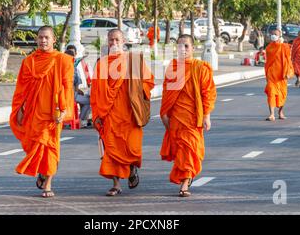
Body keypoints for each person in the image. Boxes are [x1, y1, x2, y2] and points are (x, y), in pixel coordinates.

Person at [9, 26, 74, 198]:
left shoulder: (63, 60)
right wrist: (20, 110)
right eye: (40, 37)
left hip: (52, 114)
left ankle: (48, 184)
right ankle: (42, 172)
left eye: (46, 37)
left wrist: (64, 108)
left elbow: (67, 86)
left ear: (54, 39)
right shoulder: (29, 62)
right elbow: (21, 89)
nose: (43, 41)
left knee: (50, 147)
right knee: (32, 146)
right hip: (32, 112)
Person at [91, 29, 154, 196]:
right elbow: (96, 92)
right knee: (111, 149)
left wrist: (138, 93)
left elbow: (148, 81)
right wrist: (96, 114)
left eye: (117, 40)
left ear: (124, 41)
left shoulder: (133, 61)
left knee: (132, 148)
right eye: (111, 40)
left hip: (130, 114)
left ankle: (132, 167)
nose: (114, 44)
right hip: (110, 114)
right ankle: (116, 184)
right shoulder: (102, 64)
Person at [159, 35, 216, 197]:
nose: (182, 49)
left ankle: (185, 181)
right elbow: (167, 92)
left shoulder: (200, 67)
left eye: (186, 46)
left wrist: (207, 115)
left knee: (190, 149)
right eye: (179, 46)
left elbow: (208, 93)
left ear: (192, 48)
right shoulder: (173, 67)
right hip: (176, 116)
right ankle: (186, 176)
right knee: (181, 150)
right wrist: (163, 113)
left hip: (193, 117)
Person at [264, 29, 294, 121]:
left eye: (275, 34)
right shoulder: (269, 47)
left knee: (282, 94)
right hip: (271, 75)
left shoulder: (284, 47)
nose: (273, 35)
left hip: (282, 76)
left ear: (280, 36)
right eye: (272, 34)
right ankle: (271, 114)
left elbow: (288, 61)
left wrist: (289, 72)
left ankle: (280, 112)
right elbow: (268, 61)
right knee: (271, 93)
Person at [65, 44, 92, 128]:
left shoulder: (61, 66)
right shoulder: (72, 67)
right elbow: (76, 81)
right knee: (89, 101)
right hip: (70, 95)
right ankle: (81, 120)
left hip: (64, 94)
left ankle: (80, 120)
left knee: (83, 97)